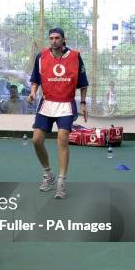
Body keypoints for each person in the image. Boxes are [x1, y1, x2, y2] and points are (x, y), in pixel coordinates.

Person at [28, 27, 88, 199]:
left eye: (57, 38)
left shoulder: (75, 57)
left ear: (63, 39)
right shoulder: (41, 57)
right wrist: (33, 93)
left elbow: (83, 83)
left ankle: (61, 182)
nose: (54, 41)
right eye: (51, 38)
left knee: (62, 139)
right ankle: (48, 175)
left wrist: (83, 103)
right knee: (36, 139)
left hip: (66, 105)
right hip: (47, 103)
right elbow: (35, 80)